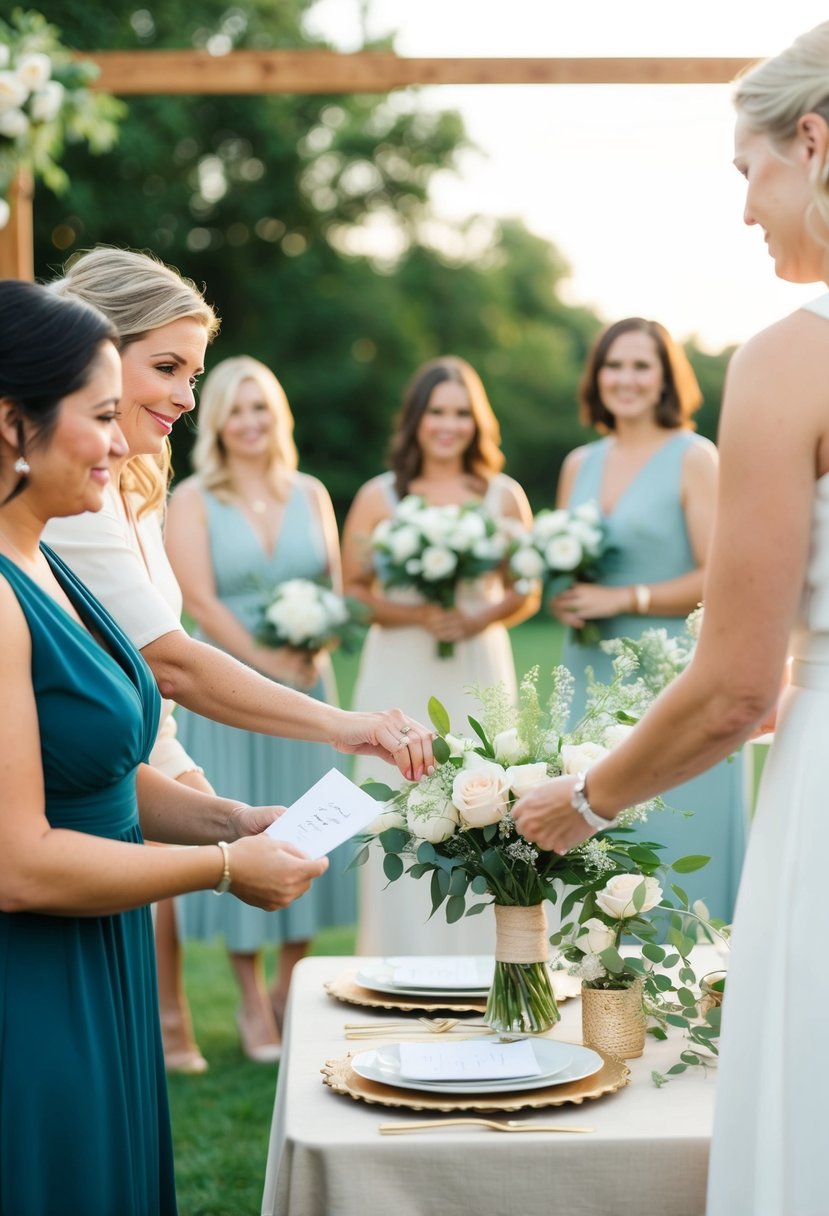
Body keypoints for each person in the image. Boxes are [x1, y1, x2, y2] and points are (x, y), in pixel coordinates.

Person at [513, 22, 829, 1214]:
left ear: (812, 141)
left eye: (747, 172)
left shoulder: (791, 360)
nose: (746, 210)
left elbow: (741, 685)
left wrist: (583, 798)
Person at [42, 247, 434, 1066]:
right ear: (95, 350)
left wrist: (212, 807)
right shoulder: (68, 492)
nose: (188, 398)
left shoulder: (134, 483)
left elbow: (147, 685)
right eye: (168, 368)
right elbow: (171, 661)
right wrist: (344, 726)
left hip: (134, 781)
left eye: (195, 374)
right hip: (67, 810)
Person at [0, 279, 328, 1216]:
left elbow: (96, 769)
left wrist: (228, 818)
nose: (121, 442)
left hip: (103, 955)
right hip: (32, 974)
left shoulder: (48, 557)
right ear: (13, 423)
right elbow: (18, 864)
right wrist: (224, 867)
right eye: (100, 415)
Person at [167, 355, 355, 1053]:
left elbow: (334, 587)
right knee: (246, 825)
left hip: (308, 687)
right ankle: (250, 997)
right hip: (230, 687)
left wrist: (318, 638)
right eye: (236, 409)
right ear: (215, 420)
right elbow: (201, 601)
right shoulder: (192, 498)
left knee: (311, 822)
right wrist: (262, 658)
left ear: (278, 416)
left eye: (261, 408)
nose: (250, 422)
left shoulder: (309, 492)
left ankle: (289, 984)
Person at [549, 317, 745, 922]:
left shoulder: (694, 456)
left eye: (641, 365)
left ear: (665, 377)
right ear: (596, 376)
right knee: (594, 846)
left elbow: (718, 574)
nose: (625, 378)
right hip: (585, 668)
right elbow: (563, 559)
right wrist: (563, 592)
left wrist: (624, 598)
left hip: (667, 673)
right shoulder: (578, 462)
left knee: (676, 837)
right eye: (614, 365)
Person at [342, 355, 539, 955]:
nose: (448, 425)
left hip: (476, 663)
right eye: (437, 411)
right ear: (416, 418)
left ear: (478, 422)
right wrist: (416, 614)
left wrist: (478, 614)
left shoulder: (504, 496)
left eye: (461, 412)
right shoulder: (380, 496)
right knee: (399, 797)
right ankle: (396, 953)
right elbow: (353, 591)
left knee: (486, 794)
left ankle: (486, 955)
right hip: (399, 666)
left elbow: (526, 587)